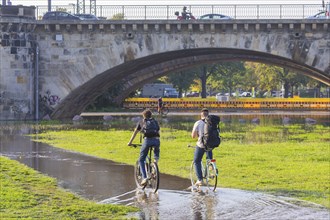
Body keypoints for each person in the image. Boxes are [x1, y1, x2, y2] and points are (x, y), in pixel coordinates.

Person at [128, 109, 160, 186]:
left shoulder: (142, 122)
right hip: (156, 141)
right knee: (155, 156)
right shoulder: (155, 122)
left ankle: (145, 178)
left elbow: (135, 133)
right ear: (151, 115)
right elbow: (158, 132)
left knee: (141, 159)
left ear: (143, 116)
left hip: (147, 141)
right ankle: (154, 167)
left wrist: (130, 142)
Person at [191, 108, 213, 186]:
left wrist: (198, 135)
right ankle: (211, 165)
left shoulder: (198, 123)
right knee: (209, 160)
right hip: (210, 145)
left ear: (201, 115)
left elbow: (193, 136)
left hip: (201, 145)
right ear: (208, 114)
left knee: (196, 161)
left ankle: (200, 180)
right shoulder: (212, 122)